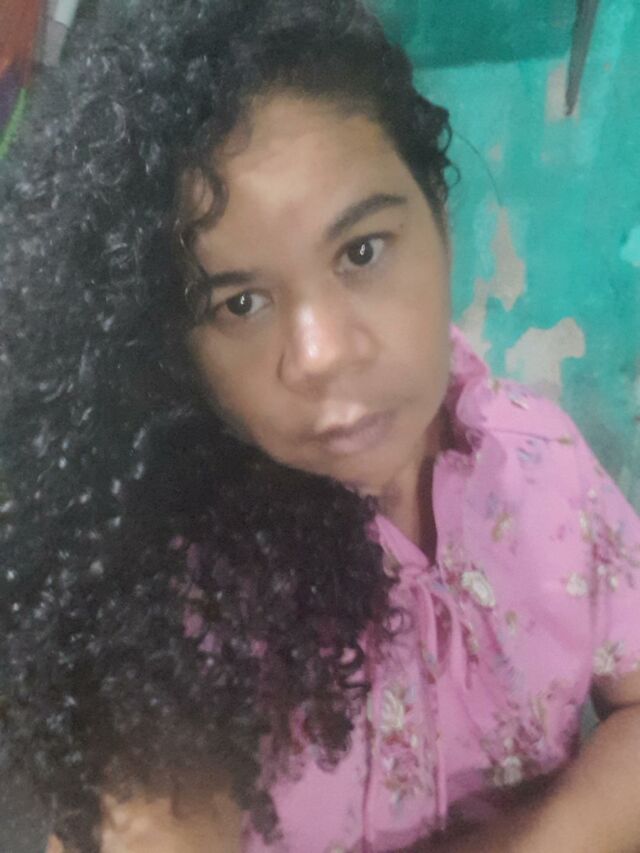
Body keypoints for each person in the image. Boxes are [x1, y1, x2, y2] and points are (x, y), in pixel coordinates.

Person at [1, 0, 639, 850]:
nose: (324, 354)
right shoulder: (165, 597)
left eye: (362, 250)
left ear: (441, 225)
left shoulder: (545, 462)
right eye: (240, 302)